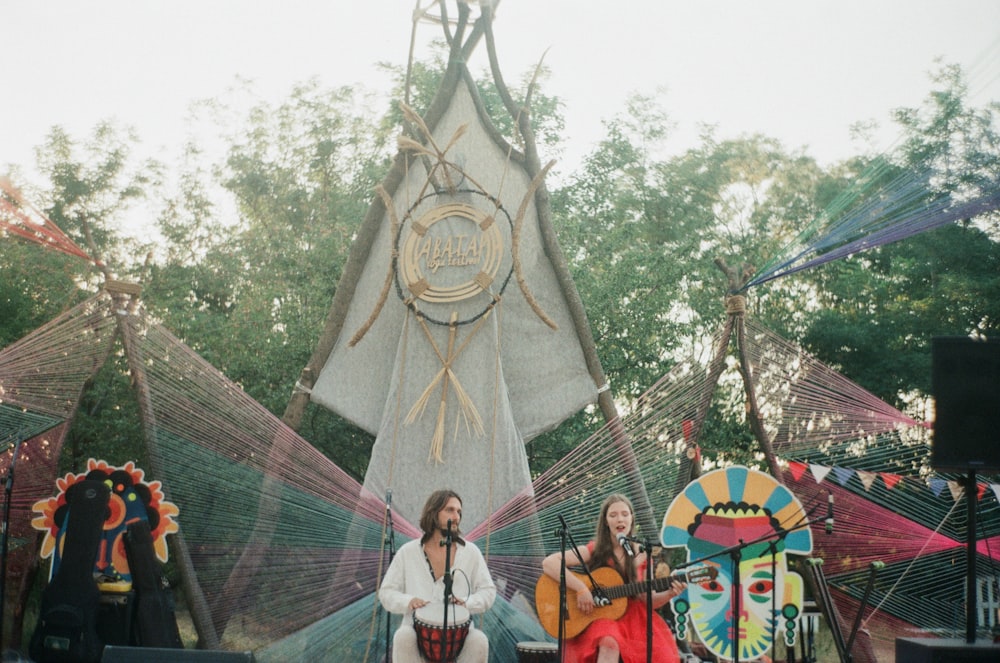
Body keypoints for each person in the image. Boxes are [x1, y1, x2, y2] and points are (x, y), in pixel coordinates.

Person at [541, 493, 684, 663]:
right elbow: (549, 563)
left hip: (634, 620)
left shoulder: (643, 554)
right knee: (609, 642)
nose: (619, 519)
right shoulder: (596, 550)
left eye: (625, 514)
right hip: (600, 616)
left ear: (632, 519)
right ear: (606, 522)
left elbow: (647, 599)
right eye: (613, 515)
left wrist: (670, 594)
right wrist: (581, 588)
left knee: (661, 655)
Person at [379, 489, 496, 663]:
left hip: (459, 636)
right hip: (416, 633)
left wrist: (467, 601)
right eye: (450, 510)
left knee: (479, 640)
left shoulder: (471, 552)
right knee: (403, 636)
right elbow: (386, 592)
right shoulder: (408, 552)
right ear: (433, 512)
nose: (456, 516)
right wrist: (408, 601)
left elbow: (488, 591)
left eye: (459, 512)